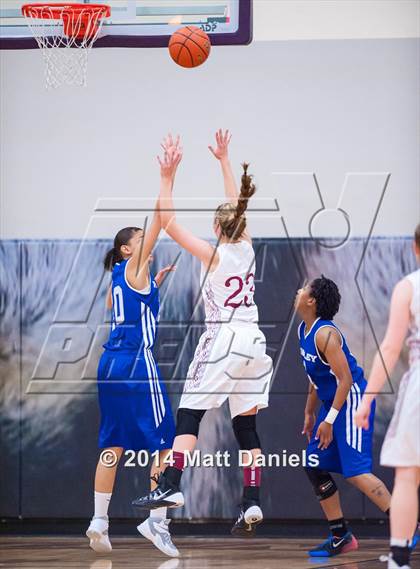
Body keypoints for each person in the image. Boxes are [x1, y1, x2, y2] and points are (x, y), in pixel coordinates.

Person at [132, 130, 272, 538]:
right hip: (254, 340)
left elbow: (170, 223)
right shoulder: (246, 247)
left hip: (223, 338)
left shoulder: (213, 253)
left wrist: (167, 176)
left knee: (189, 414)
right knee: (246, 427)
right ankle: (251, 500)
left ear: (216, 225)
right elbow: (236, 211)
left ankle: (172, 486)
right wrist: (224, 161)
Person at [86, 147, 182, 558]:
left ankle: (99, 522)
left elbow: (120, 307)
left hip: (109, 364)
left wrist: (152, 287)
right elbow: (160, 219)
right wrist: (167, 176)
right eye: (139, 242)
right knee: (167, 440)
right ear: (128, 250)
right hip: (135, 364)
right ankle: (156, 523)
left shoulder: (121, 279)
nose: (146, 244)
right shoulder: (134, 266)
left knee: (113, 444)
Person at [296, 276, 391, 557]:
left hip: (350, 401)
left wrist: (329, 420)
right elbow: (316, 378)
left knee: (357, 473)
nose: (299, 291)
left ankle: (408, 525)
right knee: (313, 464)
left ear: (311, 301)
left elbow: (345, 379)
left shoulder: (326, 334)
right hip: (331, 404)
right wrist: (309, 411)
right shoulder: (304, 329)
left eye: (304, 289)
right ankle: (341, 535)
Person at [355, 224, 420, 569]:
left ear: (415, 248)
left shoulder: (408, 286)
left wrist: (366, 399)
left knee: (409, 473)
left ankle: (399, 558)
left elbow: (392, 346)